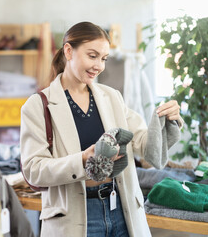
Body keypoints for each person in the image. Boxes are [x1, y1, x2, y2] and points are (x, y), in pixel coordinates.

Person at [20, 22, 182, 237]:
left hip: (122, 210)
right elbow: (33, 169)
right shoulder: (38, 105)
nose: (99, 65)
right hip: (75, 217)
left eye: (104, 58)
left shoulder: (111, 96)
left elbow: (144, 145)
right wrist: (83, 159)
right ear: (69, 51)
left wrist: (167, 120)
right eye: (92, 56)